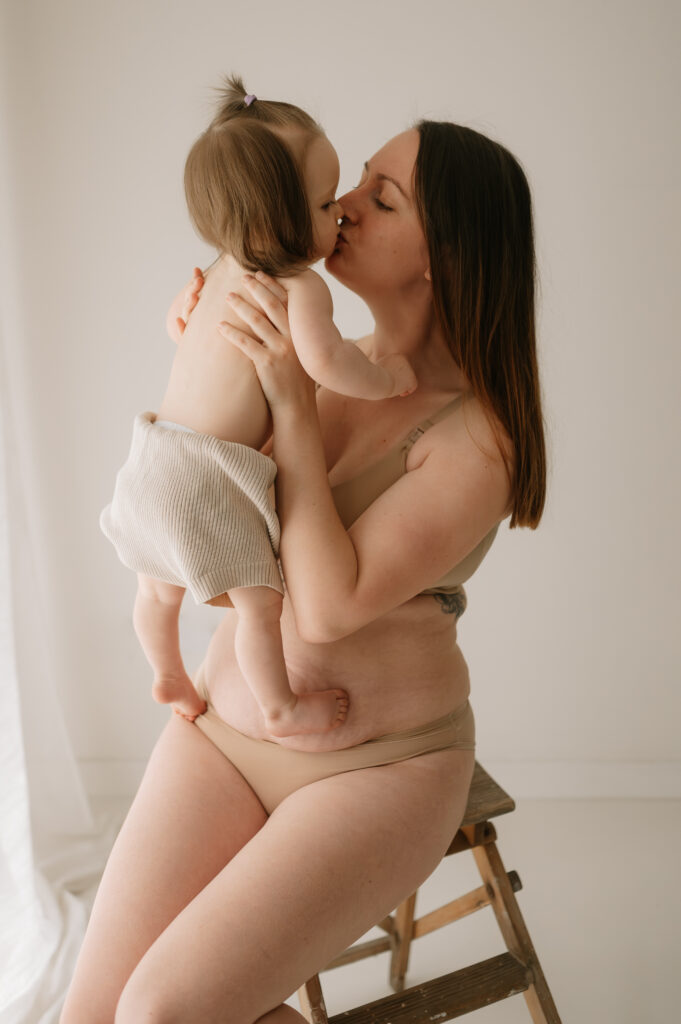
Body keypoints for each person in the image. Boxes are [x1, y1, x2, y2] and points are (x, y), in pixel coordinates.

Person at [61, 116, 545, 1024]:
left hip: (375, 770)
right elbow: (196, 479)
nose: (343, 210)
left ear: (445, 255)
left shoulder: (476, 439)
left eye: (381, 198)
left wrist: (286, 392)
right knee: (93, 1011)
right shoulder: (329, 353)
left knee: (160, 1013)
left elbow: (322, 610)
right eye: (355, 183)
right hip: (224, 732)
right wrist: (201, 333)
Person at [99, 76, 416, 733]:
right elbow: (327, 363)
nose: (339, 214)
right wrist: (388, 383)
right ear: (277, 222)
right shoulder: (298, 287)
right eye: (327, 201)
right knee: (259, 605)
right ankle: (279, 705)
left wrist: (178, 322)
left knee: (156, 589)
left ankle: (164, 668)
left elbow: (179, 332)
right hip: (207, 477)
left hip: (152, 455)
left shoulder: (215, 270)